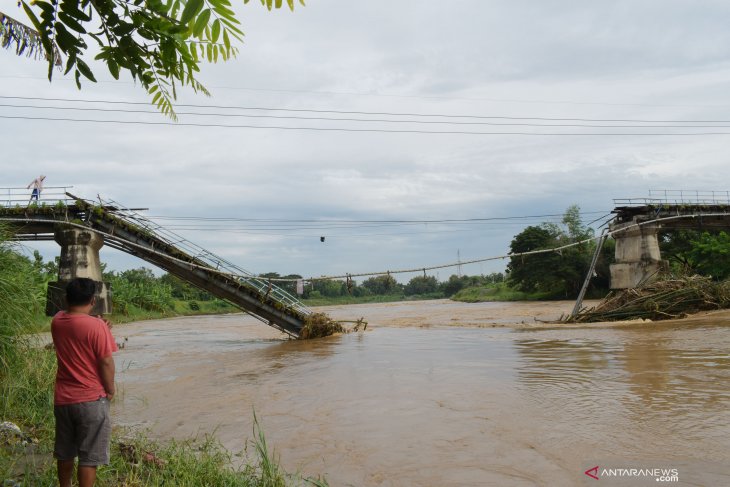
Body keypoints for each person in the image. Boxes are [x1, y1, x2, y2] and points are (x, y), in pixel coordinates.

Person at [51, 278, 118, 487]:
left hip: (63, 400)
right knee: (89, 456)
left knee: (65, 452)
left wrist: (99, 323)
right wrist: (110, 389)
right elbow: (106, 362)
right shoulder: (97, 326)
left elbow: (69, 317)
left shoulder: (57, 321)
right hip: (91, 399)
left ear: (65, 298)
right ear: (93, 300)